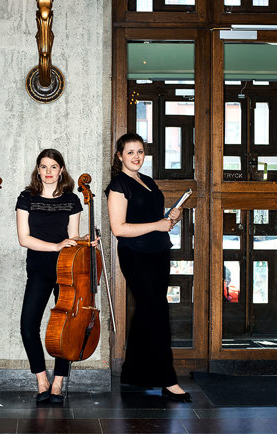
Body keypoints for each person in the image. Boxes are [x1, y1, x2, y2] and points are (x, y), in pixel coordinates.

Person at [105, 133, 190, 402]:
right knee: (156, 311)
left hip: (158, 252)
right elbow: (119, 229)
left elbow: (155, 220)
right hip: (135, 255)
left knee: (146, 311)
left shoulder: (149, 182)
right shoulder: (118, 185)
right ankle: (168, 380)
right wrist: (157, 224)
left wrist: (171, 217)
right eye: (130, 152)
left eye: (140, 151)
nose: (136, 157)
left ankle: (133, 373)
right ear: (120, 156)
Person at [15, 148, 83, 404]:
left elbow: (73, 237)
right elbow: (24, 239)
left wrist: (85, 242)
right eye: (43, 167)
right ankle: (41, 379)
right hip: (39, 269)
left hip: (67, 270)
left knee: (66, 328)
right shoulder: (27, 198)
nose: (48, 172)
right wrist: (54, 246)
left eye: (53, 166)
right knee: (27, 325)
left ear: (61, 170)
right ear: (37, 170)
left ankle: (57, 384)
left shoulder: (72, 200)